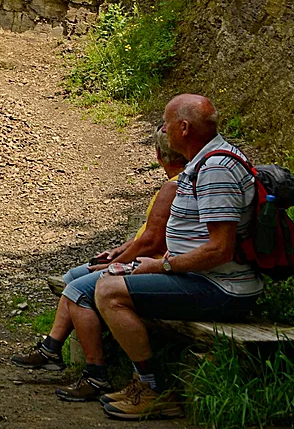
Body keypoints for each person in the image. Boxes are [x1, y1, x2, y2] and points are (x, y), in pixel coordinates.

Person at [96, 94, 261, 421]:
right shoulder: (204, 162)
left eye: (167, 122)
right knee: (111, 281)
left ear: (183, 128)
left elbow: (220, 249)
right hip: (202, 278)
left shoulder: (216, 169)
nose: (163, 129)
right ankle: (143, 382)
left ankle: (151, 389)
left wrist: (161, 265)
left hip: (224, 289)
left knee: (108, 291)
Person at [10, 125, 188, 401]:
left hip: (150, 266)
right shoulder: (178, 184)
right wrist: (118, 251)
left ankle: (96, 373)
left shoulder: (172, 188)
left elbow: (152, 244)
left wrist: (112, 265)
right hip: (146, 260)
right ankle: (51, 349)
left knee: (79, 291)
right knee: (72, 277)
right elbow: (148, 236)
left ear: (158, 155)